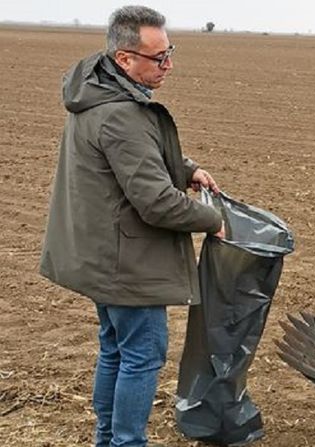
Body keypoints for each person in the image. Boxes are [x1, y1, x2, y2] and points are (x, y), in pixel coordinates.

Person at [39, 6, 225, 447]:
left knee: (116, 348)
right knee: (142, 354)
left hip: (103, 254)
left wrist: (187, 169)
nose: (169, 65)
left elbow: (135, 158)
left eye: (169, 52)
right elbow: (157, 202)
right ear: (125, 59)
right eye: (159, 57)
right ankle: (125, 443)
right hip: (126, 261)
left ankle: (108, 438)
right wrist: (213, 220)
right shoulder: (120, 113)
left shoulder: (97, 91)